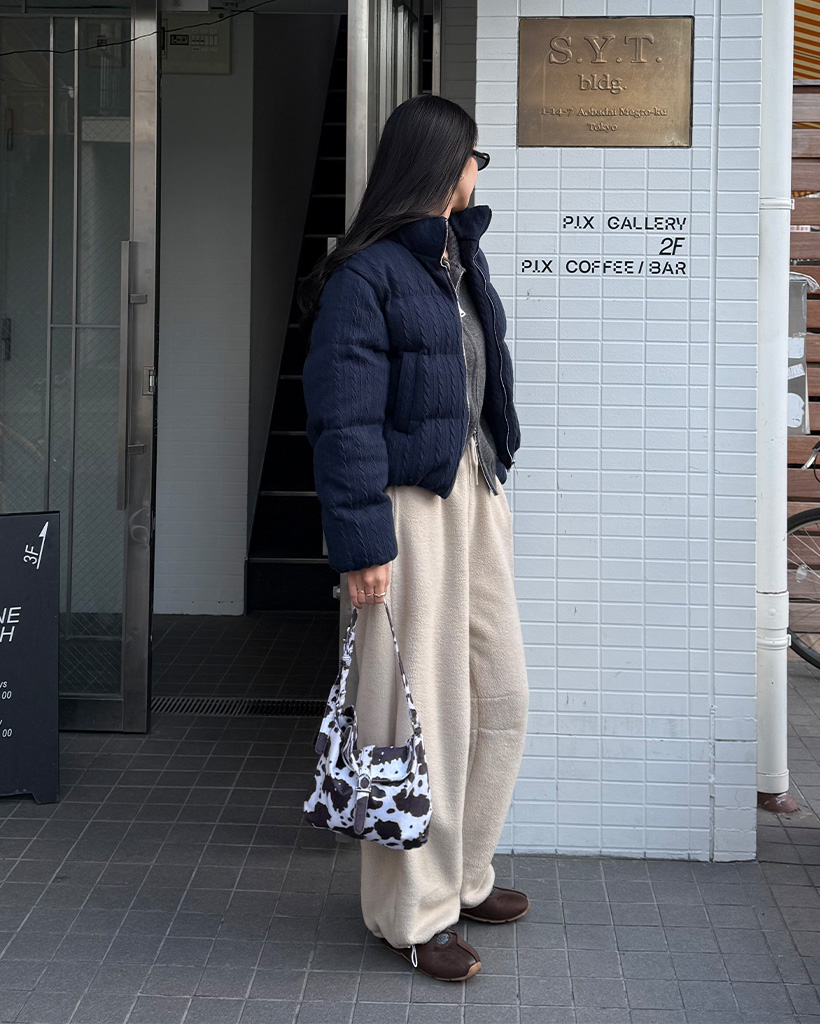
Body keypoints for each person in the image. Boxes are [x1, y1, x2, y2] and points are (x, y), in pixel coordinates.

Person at [300, 94, 530, 983]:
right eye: (476, 157)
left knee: (500, 697)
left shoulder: (459, 258)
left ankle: (466, 876)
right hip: (406, 507)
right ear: (442, 163)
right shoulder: (364, 277)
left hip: (476, 490)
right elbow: (343, 419)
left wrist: (496, 455)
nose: (479, 172)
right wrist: (362, 542)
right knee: (420, 714)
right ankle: (414, 913)